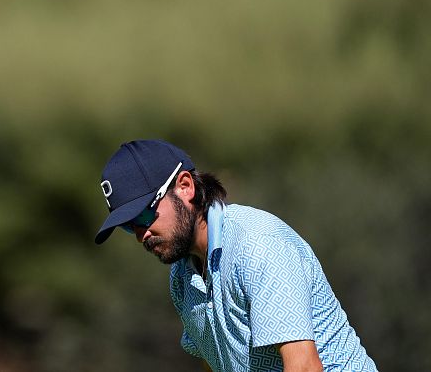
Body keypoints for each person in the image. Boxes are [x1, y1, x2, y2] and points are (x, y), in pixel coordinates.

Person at [95, 139, 377, 372]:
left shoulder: (257, 244)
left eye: (144, 214)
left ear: (185, 187)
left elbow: (303, 366)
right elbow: (214, 360)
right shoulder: (182, 277)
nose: (141, 233)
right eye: (128, 225)